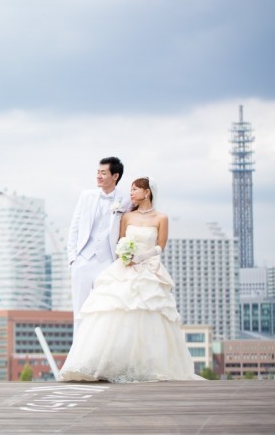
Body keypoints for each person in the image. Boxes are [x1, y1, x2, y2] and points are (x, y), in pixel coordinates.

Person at [59, 177, 203, 382]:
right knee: (115, 312)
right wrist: (125, 255)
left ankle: (146, 365)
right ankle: (110, 364)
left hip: (149, 269)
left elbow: (161, 245)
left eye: (135, 189)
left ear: (147, 192)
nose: (131, 193)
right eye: (131, 189)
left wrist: (141, 257)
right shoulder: (127, 217)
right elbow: (119, 241)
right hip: (125, 268)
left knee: (148, 313)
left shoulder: (161, 218)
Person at [67, 156, 131, 333]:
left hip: (108, 263)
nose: (99, 176)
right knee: (79, 312)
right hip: (83, 261)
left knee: (106, 311)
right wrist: (73, 259)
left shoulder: (126, 200)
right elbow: (74, 227)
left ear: (115, 176)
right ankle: (77, 357)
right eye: (98, 172)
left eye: (103, 173)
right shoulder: (86, 196)